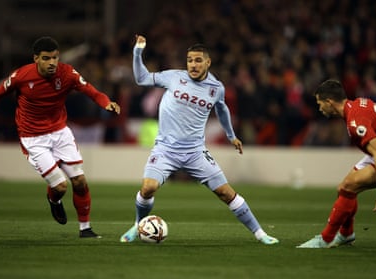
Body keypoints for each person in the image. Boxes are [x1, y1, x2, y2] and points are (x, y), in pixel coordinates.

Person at [119, 35, 279, 245]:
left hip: (195, 152)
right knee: (148, 188)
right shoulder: (174, 77)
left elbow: (222, 109)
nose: (193, 65)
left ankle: (260, 234)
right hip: (165, 149)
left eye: (197, 60)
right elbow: (142, 78)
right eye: (190, 60)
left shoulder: (216, 88)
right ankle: (138, 225)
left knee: (225, 192)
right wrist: (138, 52)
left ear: (207, 62)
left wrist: (231, 136)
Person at [0, 36, 121, 238]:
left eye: (55, 57)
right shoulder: (21, 76)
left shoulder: (67, 73)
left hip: (60, 132)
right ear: (36, 58)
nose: (52, 63)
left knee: (80, 181)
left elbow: (91, 90)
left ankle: (85, 229)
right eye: (46, 58)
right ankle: (54, 200)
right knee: (60, 187)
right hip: (33, 138)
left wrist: (106, 103)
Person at [297, 79, 376, 248]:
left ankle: (325, 239)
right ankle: (346, 235)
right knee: (344, 188)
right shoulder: (357, 105)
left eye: (320, 103)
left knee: (349, 185)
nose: (319, 108)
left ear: (329, 102)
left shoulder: (355, 122)